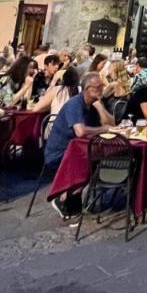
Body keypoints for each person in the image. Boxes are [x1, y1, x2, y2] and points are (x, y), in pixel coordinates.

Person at [43, 73, 115, 217]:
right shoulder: (75, 104)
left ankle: (73, 197)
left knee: (97, 160)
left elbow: (112, 124)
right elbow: (80, 131)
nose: (102, 88)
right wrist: (103, 129)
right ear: (88, 88)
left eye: (102, 86)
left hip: (78, 152)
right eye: (99, 86)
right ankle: (63, 198)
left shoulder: (92, 106)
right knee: (90, 161)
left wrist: (100, 106)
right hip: (59, 154)